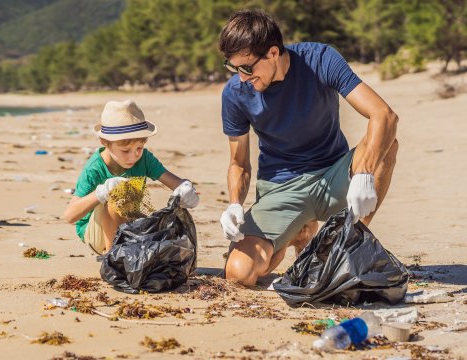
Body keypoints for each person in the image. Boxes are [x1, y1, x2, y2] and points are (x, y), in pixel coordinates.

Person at [218, 9, 398, 286]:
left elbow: (384, 115)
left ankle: (348, 244)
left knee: (387, 143)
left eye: (246, 68)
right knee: (239, 274)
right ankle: (297, 232)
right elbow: (239, 163)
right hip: (280, 187)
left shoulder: (321, 59)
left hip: (334, 175)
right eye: (234, 68)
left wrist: (363, 174)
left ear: (273, 53)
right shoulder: (235, 93)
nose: (241, 77)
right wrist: (233, 204)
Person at [63, 99, 200, 255]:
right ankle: (113, 256)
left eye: (139, 148)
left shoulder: (144, 159)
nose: (133, 156)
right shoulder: (94, 169)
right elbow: (70, 216)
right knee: (116, 197)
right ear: (105, 142)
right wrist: (101, 193)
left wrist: (186, 188)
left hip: (129, 222)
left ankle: (127, 250)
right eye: (125, 151)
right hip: (97, 233)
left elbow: (175, 182)